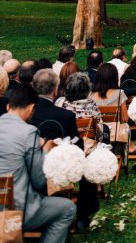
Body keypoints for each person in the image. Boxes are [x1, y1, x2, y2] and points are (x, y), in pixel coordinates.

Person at [0, 84, 77, 241]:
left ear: (8, 107)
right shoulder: (28, 132)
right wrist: (46, 151)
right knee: (67, 208)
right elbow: (39, 180)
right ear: (31, 109)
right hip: (12, 210)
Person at [30, 68, 99, 231]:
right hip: (57, 165)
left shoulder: (28, 112)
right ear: (55, 89)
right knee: (85, 165)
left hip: (31, 163)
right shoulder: (65, 116)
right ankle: (83, 214)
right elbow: (77, 145)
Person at [55, 72, 104, 142]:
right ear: (87, 89)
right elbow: (99, 131)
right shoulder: (91, 105)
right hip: (87, 143)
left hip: (64, 142)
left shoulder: (60, 102)